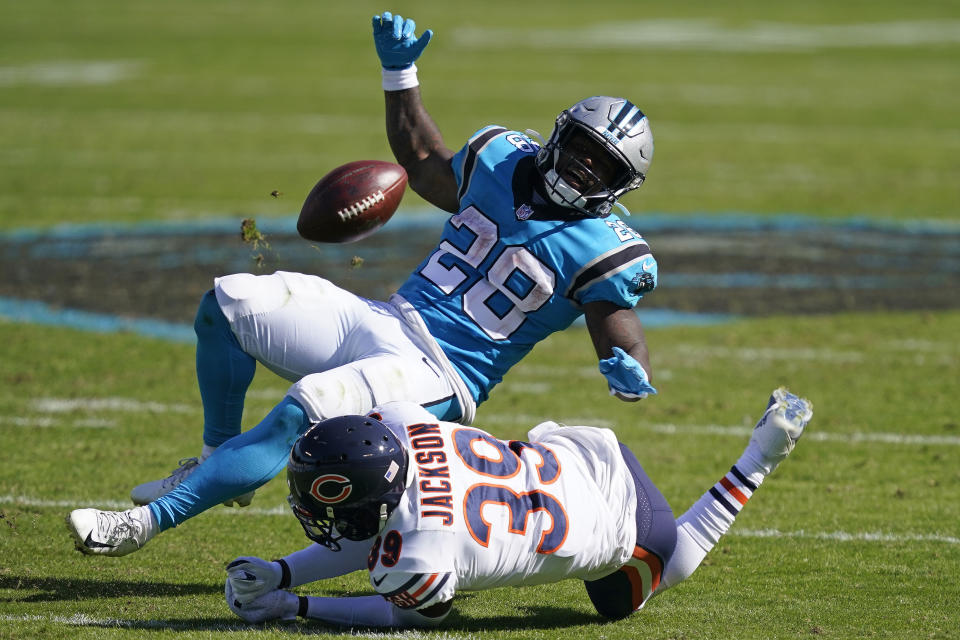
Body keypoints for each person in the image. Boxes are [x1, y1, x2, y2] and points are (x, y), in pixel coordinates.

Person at [67, 11, 661, 556]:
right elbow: (424, 159)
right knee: (226, 304)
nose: (584, 167)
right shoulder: (503, 156)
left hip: (439, 375)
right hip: (389, 318)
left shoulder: (606, 251)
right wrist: (400, 70)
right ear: (561, 134)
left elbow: (620, 329)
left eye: (602, 166)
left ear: (619, 185)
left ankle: (141, 525)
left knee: (299, 413)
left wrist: (628, 365)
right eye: (583, 150)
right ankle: (215, 457)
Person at [218, 387, 812, 627]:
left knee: (646, 583)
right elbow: (381, 528)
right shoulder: (402, 422)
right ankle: (763, 448)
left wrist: (294, 603)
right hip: (587, 449)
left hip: (626, 528)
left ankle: (758, 459)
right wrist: (281, 574)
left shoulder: (417, 558)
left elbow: (406, 617)